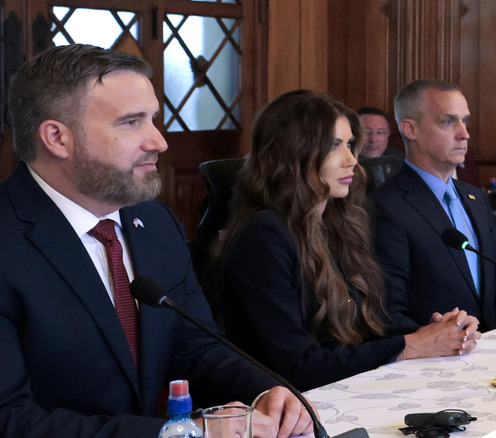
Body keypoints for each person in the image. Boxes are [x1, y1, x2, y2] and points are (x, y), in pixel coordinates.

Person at [0, 44, 312, 438]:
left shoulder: (152, 218)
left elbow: (197, 347)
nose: (159, 141)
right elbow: (9, 420)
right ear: (57, 138)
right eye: (132, 123)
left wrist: (264, 390)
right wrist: (184, 434)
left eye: (153, 120)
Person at [212, 90, 480, 391]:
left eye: (350, 144)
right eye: (334, 147)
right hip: (285, 410)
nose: (352, 160)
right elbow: (299, 365)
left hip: (345, 392)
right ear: (294, 154)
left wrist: (436, 332)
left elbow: (369, 327)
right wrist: (410, 345)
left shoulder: (340, 223)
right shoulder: (262, 237)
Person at [370, 79, 496, 332]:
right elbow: (388, 311)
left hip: (490, 354)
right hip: (433, 362)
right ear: (410, 129)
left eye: (465, 120)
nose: (464, 134)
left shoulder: (476, 198)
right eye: (449, 122)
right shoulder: (386, 207)